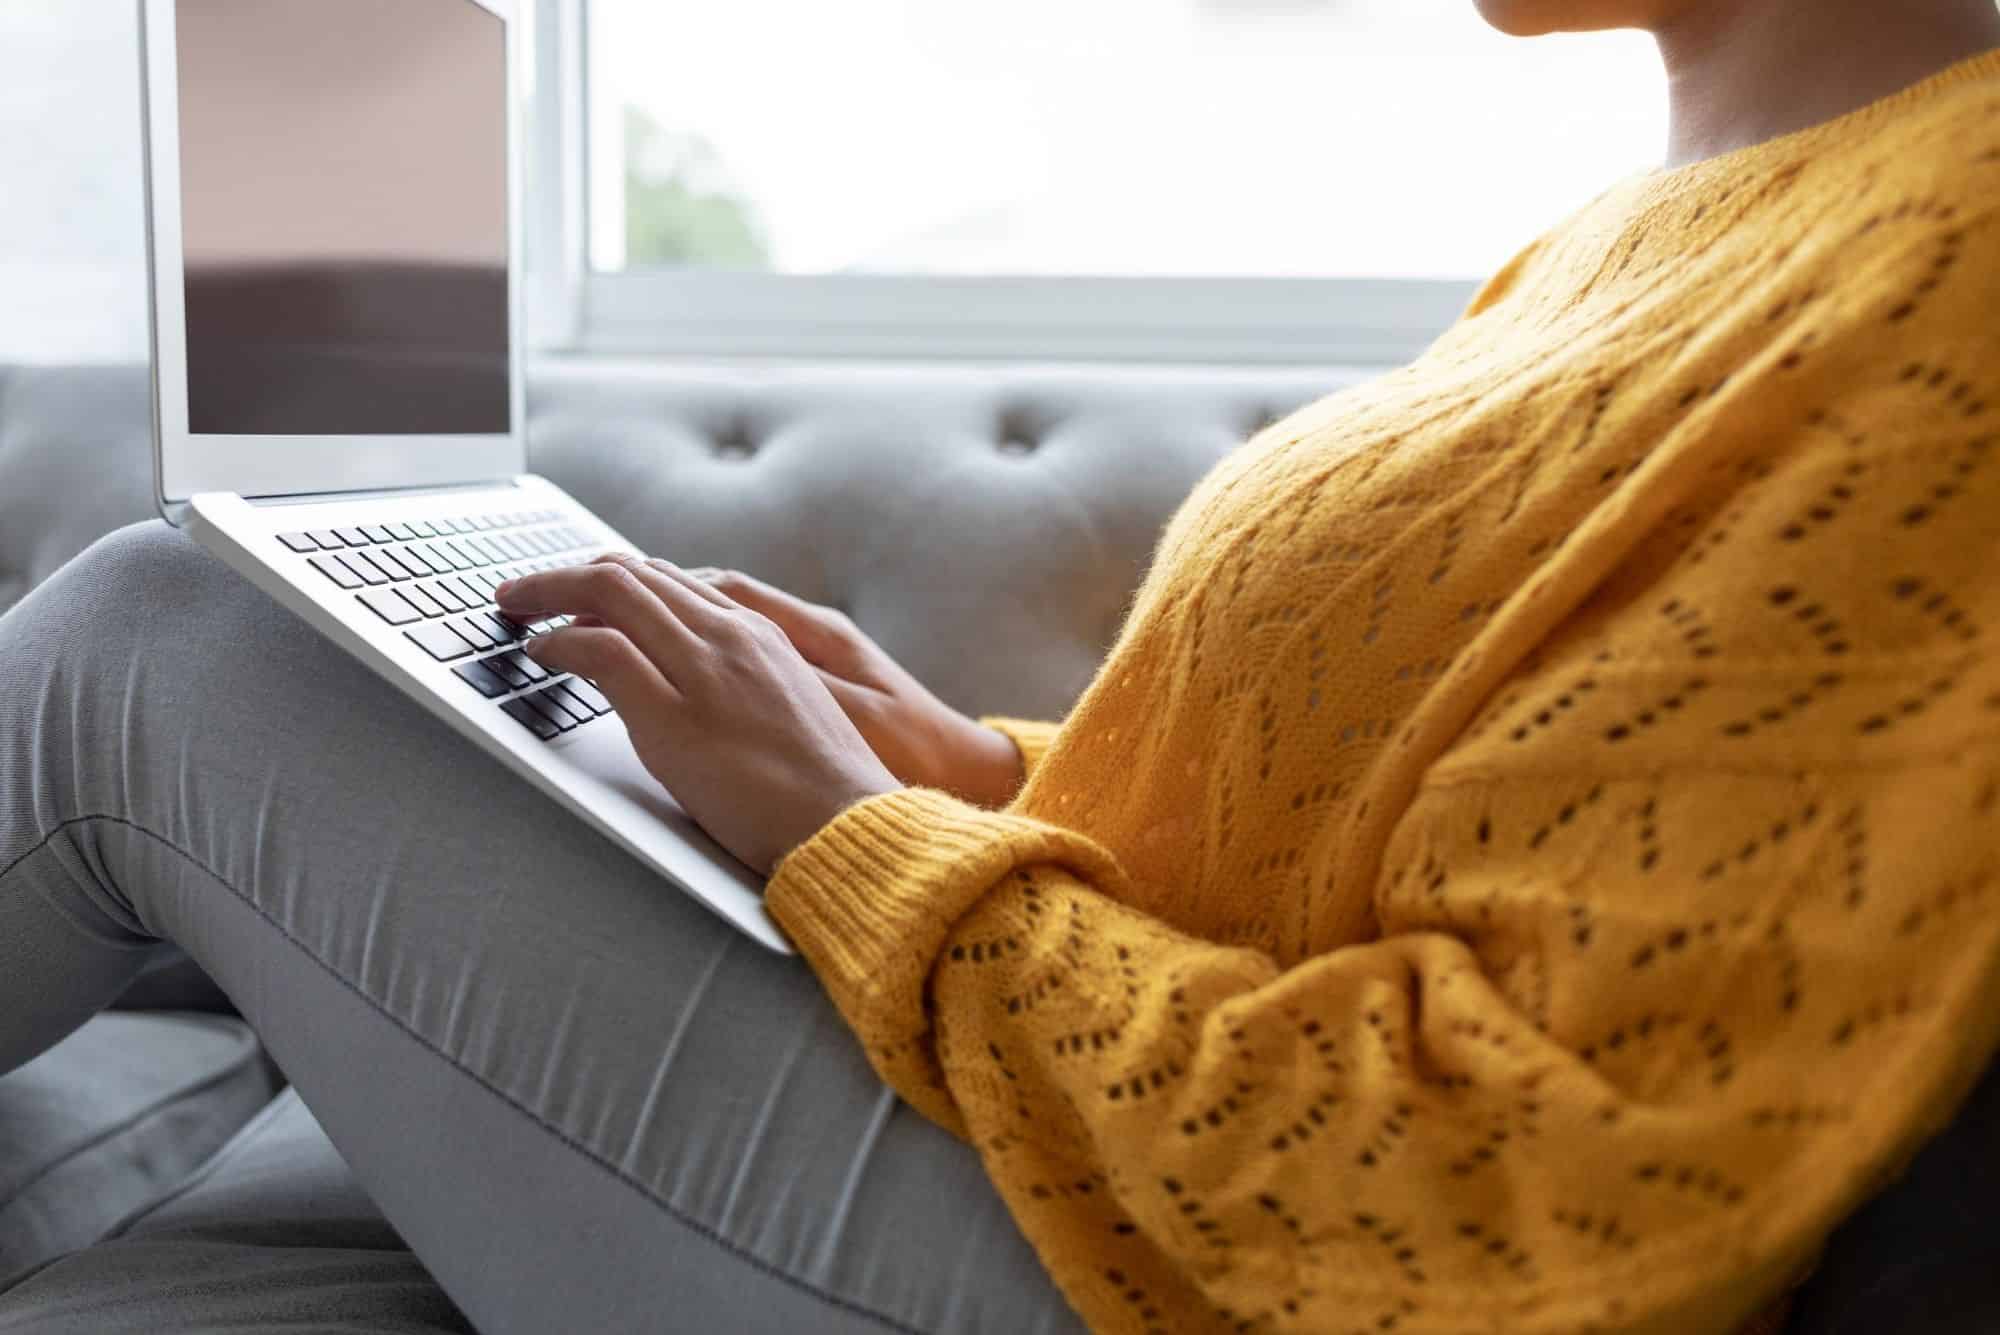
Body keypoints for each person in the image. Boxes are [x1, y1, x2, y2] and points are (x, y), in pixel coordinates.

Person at [3, 0, 1997, 1330]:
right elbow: (1408, 843)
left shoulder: (1952, 251)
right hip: (1102, 1155)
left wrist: (870, 842)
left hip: (1162, 1271)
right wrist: (980, 779)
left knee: (164, 645)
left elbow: (1528, 1181)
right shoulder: (1687, 217)